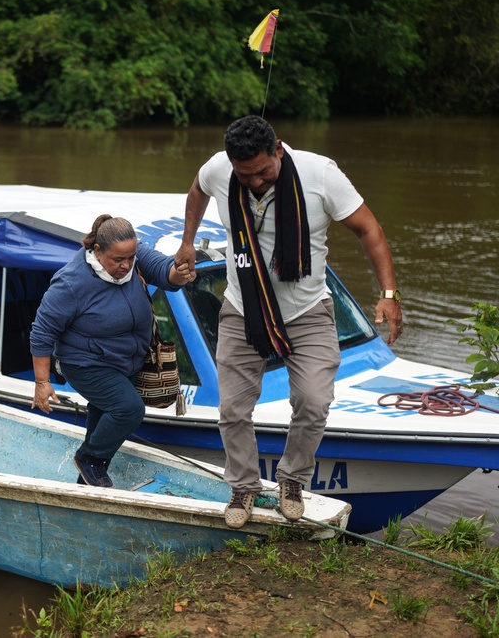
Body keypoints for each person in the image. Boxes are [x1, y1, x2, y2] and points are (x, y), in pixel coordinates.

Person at [174, 115, 403, 529]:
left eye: (264, 171)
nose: (257, 182)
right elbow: (197, 190)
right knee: (232, 409)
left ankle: (292, 480)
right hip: (243, 307)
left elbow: (368, 228)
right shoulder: (220, 170)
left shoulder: (320, 175)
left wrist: (388, 294)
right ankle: (243, 486)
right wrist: (188, 241)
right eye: (247, 176)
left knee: (314, 403)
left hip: (307, 310)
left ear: (279, 149)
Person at [29, 214, 194, 488]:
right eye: (118, 260)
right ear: (97, 251)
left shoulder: (133, 256)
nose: (126, 265)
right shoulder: (71, 282)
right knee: (128, 409)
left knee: (101, 425)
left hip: (125, 362)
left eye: (130, 257)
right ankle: (90, 459)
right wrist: (42, 382)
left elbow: (165, 271)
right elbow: (42, 331)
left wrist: (179, 273)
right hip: (86, 363)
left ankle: (84, 487)